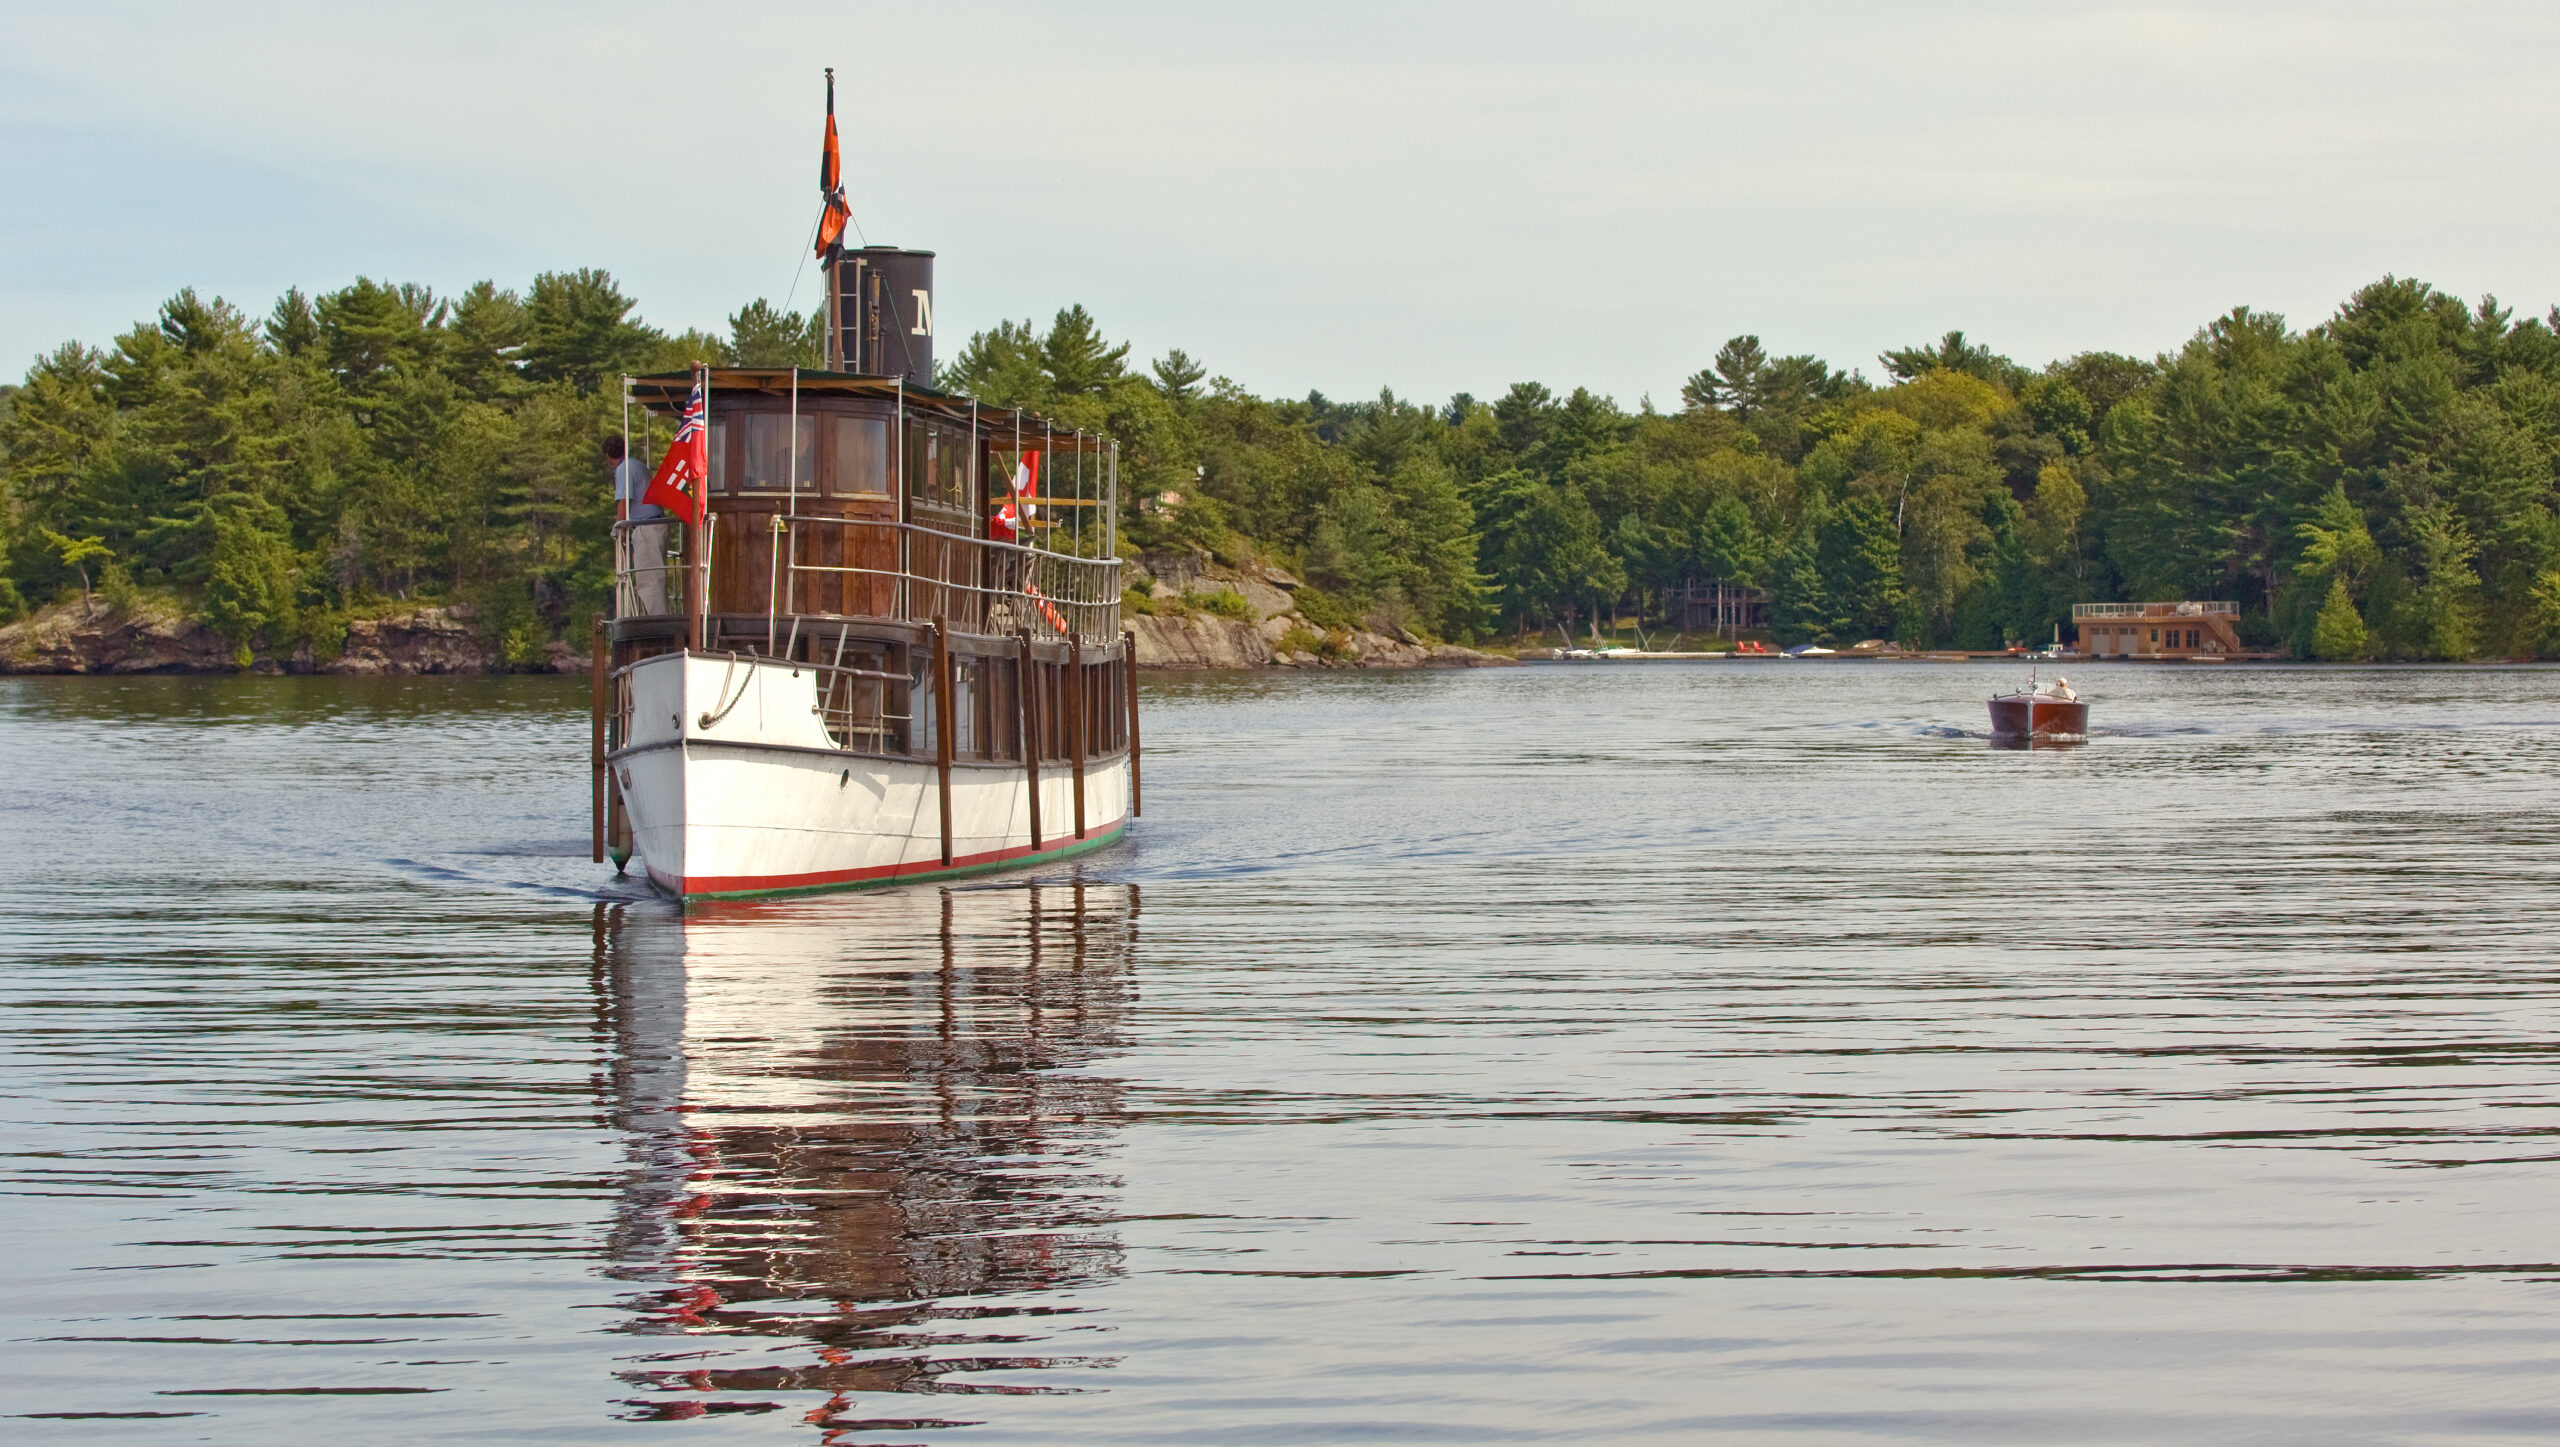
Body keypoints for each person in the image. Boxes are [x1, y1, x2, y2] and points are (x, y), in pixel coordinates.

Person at [608, 435, 671, 615]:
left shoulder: (624, 469)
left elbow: (624, 501)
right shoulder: (638, 465)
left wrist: (620, 530)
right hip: (655, 524)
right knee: (654, 576)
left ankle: (657, 623)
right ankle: (654, 617)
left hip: (647, 528)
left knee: (649, 578)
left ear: (608, 456)